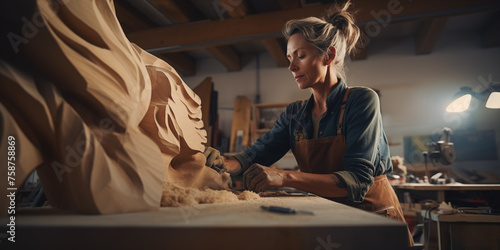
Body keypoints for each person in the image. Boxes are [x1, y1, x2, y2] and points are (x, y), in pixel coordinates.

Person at [224, 1, 414, 246]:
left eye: (300, 56)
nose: (292, 67)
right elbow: (258, 152)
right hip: (329, 219)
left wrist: (284, 177)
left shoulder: (362, 101)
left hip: (373, 220)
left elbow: (357, 181)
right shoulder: (295, 115)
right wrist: (221, 163)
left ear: (329, 55)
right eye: (290, 58)